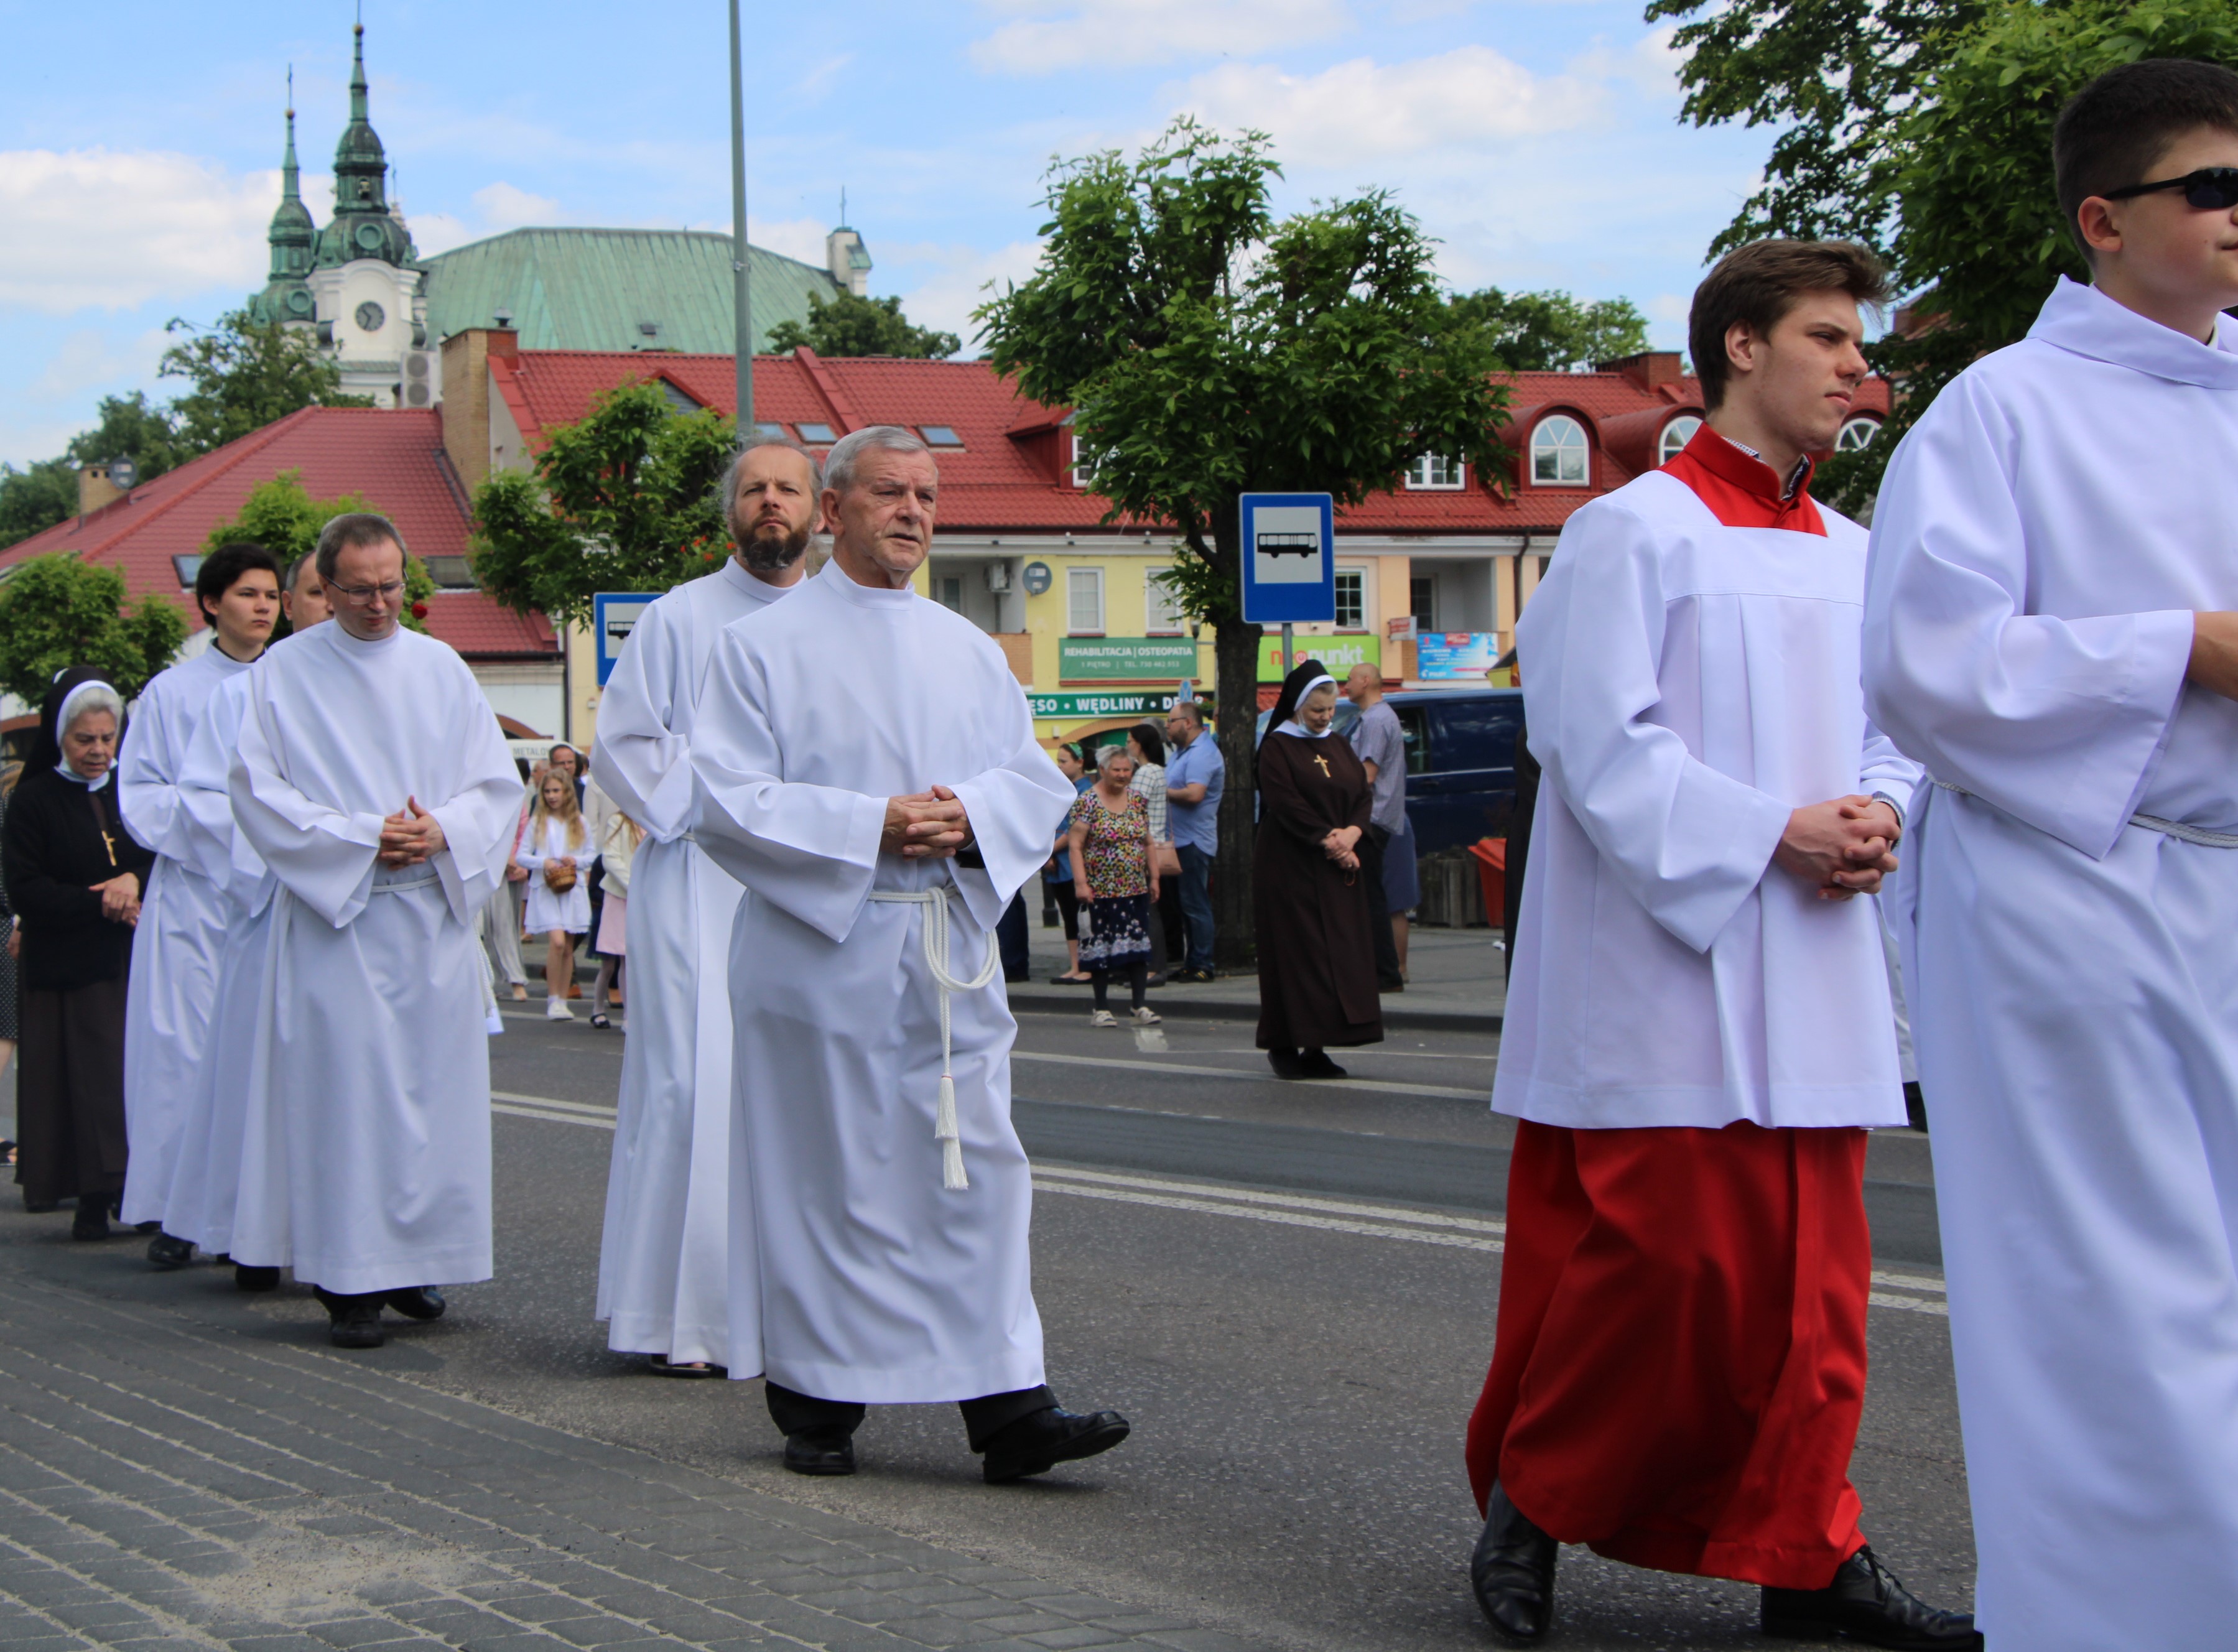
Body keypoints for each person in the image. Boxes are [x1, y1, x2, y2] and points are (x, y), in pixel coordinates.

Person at [1466, 239, 1975, 1652]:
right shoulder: (1632, 531)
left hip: (1816, 958)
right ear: (1741, 348)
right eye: (1826, 338)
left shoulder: (1866, 554)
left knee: (1818, 1292)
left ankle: (1808, 1554)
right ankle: (1533, 1493)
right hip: (1665, 968)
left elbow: (1904, 720)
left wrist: (1881, 807)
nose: (1853, 371)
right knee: (1667, 1271)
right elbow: (1591, 739)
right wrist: (1774, 832)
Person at [1862, 60, 2238, 1652]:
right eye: (2213, 189)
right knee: (2128, 1309)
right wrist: (2184, 649)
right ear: (2105, 219)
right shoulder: (2001, 412)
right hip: (2093, 891)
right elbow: (1928, 665)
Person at [690, 425, 1130, 1482]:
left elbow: (1029, 782)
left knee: (974, 1168)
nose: (913, 513)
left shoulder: (966, 648)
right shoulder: (758, 648)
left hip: (942, 943)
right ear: (831, 510)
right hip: (820, 949)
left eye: (927, 495)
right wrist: (869, 825)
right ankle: (818, 1398)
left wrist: (966, 816)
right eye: (889, 492)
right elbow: (722, 797)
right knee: (829, 1173)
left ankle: (1008, 1404)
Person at [225, 513, 521, 1350]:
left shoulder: (440, 667)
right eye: (359, 591)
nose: (380, 604)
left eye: (392, 587)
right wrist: (362, 837)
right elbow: (257, 791)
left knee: (430, 1101)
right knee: (347, 1104)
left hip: (426, 911)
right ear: (324, 585)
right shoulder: (284, 673)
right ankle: (348, 1279)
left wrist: (441, 833)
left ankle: (417, 1262)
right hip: (339, 921)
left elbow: (494, 787)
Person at [589, 436, 815, 1377]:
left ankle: (801, 1313)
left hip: (809, 881)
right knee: (694, 1085)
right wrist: (724, 807)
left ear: (819, 510)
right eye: (754, 489)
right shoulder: (679, 620)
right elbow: (623, 744)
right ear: (729, 512)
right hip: (700, 880)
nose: (770, 503)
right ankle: (681, 1317)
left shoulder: (842, 619)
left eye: (787, 489)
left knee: (804, 1098)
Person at [159, 560, 335, 1289]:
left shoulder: (410, 674)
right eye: (320, 591)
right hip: (273, 906)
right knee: (258, 1086)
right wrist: (297, 853)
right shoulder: (250, 691)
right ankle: (251, 1230)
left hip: (365, 911)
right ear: (298, 604)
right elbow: (209, 796)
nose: (337, 604)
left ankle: (359, 1240)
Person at [116, 542, 282, 1266]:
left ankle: (250, 1211)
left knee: (258, 1059)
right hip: (195, 897)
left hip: (271, 895)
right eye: (248, 594)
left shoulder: (294, 683)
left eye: (273, 594)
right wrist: (233, 823)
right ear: (211, 603)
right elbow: (145, 797)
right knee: (182, 1058)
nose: (264, 606)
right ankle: (175, 1212)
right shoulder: (171, 692)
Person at [2, 672, 153, 1238]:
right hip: (67, 963)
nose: (98, 751)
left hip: (132, 959)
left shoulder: (132, 790)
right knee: (83, 1082)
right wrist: (101, 902)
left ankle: (138, 1191)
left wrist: (133, 882)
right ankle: (91, 1196)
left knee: (131, 1077)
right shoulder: (34, 799)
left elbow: (160, 855)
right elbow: (25, 888)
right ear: (61, 737)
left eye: (108, 738)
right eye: (84, 740)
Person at [1254, 664, 1383, 1079]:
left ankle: (1318, 1043)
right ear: (1297, 707)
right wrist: (1330, 840)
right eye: (1316, 711)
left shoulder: (1339, 744)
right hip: (1291, 867)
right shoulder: (1276, 747)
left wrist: (1352, 833)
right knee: (1297, 956)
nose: (1325, 718)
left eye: (1330, 709)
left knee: (1336, 957)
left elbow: (1362, 794)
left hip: (1337, 867)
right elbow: (1285, 802)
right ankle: (1284, 1043)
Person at [1068, 745, 1162, 1027]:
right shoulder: (1088, 801)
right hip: (1099, 891)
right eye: (1117, 770)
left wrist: (1154, 877)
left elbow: (1147, 842)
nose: (1122, 775)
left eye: (1127, 770)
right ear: (1104, 770)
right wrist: (1081, 883)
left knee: (1138, 948)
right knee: (1099, 948)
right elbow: (1075, 845)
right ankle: (1101, 1008)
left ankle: (1139, 1005)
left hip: (1134, 889)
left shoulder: (1136, 800)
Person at [1342, 664, 1408, 991]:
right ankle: (1380, 970)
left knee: (1369, 898)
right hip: (1377, 817)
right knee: (1369, 895)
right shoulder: (1379, 718)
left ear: (1366, 681)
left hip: (1371, 817)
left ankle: (1384, 973)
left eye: (1350, 679)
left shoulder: (1376, 720)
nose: (1346, 685)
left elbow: (1366, 774)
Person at [516, 770, 598, 1023]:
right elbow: (522, 856)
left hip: (572, 889)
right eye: (548, 791)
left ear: (566, 793)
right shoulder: (537, 821)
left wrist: (576, 861)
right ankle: (553, 999)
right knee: (558, 942)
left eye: (556, 791)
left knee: (568, 948)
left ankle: (563, 1000)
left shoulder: (579, 822)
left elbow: (592, 855)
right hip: (547, 889)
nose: (552, 796)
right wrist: (545, 862)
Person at [1162, 700, 1223, 980]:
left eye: (1171, 722)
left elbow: (1195, 794)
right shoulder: (1180, 753)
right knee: (1184, 905)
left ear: (1188, 723)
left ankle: (1203, 964)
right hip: (1180, 841)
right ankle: (1191, 960)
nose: (1167, 727)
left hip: (1195, 841)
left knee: (1196, 904)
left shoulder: (1203, 753)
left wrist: (1161, 793)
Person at [1126, 723, 1181, 985]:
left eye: (1130, 740)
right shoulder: (1157, 770)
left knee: (1147, 910)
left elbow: (1131, 808)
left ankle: (1153, 966)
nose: (1127, 745)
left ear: (1141, 744)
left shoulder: (1146, 772)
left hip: (1145, 847)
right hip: (1154, 843)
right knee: (1150, 908)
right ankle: (1151, 964)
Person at [589, 805, 641, 1030]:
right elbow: (611, 860)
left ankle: (633, 1013)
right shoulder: (618, 821)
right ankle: (600, 1008)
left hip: (642, 899)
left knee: (631, 959)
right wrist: (634, 886)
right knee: (614, 960)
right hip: (620, 897)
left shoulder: (652, 824)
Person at [1044, 743, 1092, 982]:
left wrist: (1049, 850)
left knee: (1080, 915)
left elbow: (1074, 829)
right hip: (1059, 863)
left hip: (1074, 862)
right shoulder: (1064, 788)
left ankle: (1086, 964)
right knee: (1068, 913)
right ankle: (1076, 964)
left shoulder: (1086, 791)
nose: (1060, 766)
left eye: (1064, 761)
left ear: (1080, 762)